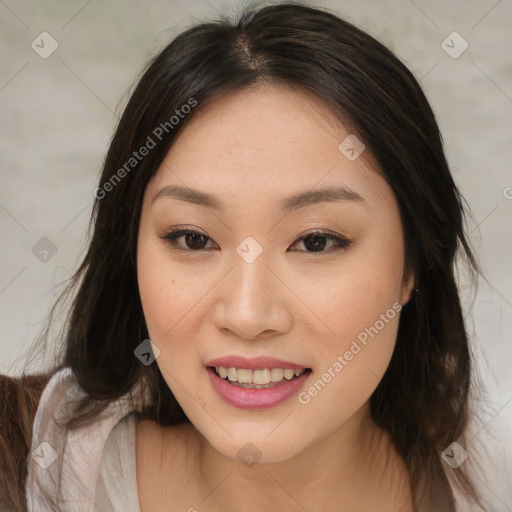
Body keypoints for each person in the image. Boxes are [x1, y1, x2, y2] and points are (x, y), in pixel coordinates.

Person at [0, 2, 492, 510]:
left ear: (412, 266)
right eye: (193, 238)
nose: (248, 315)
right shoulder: (22, 469)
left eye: (316, 241)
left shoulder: (490, 488)